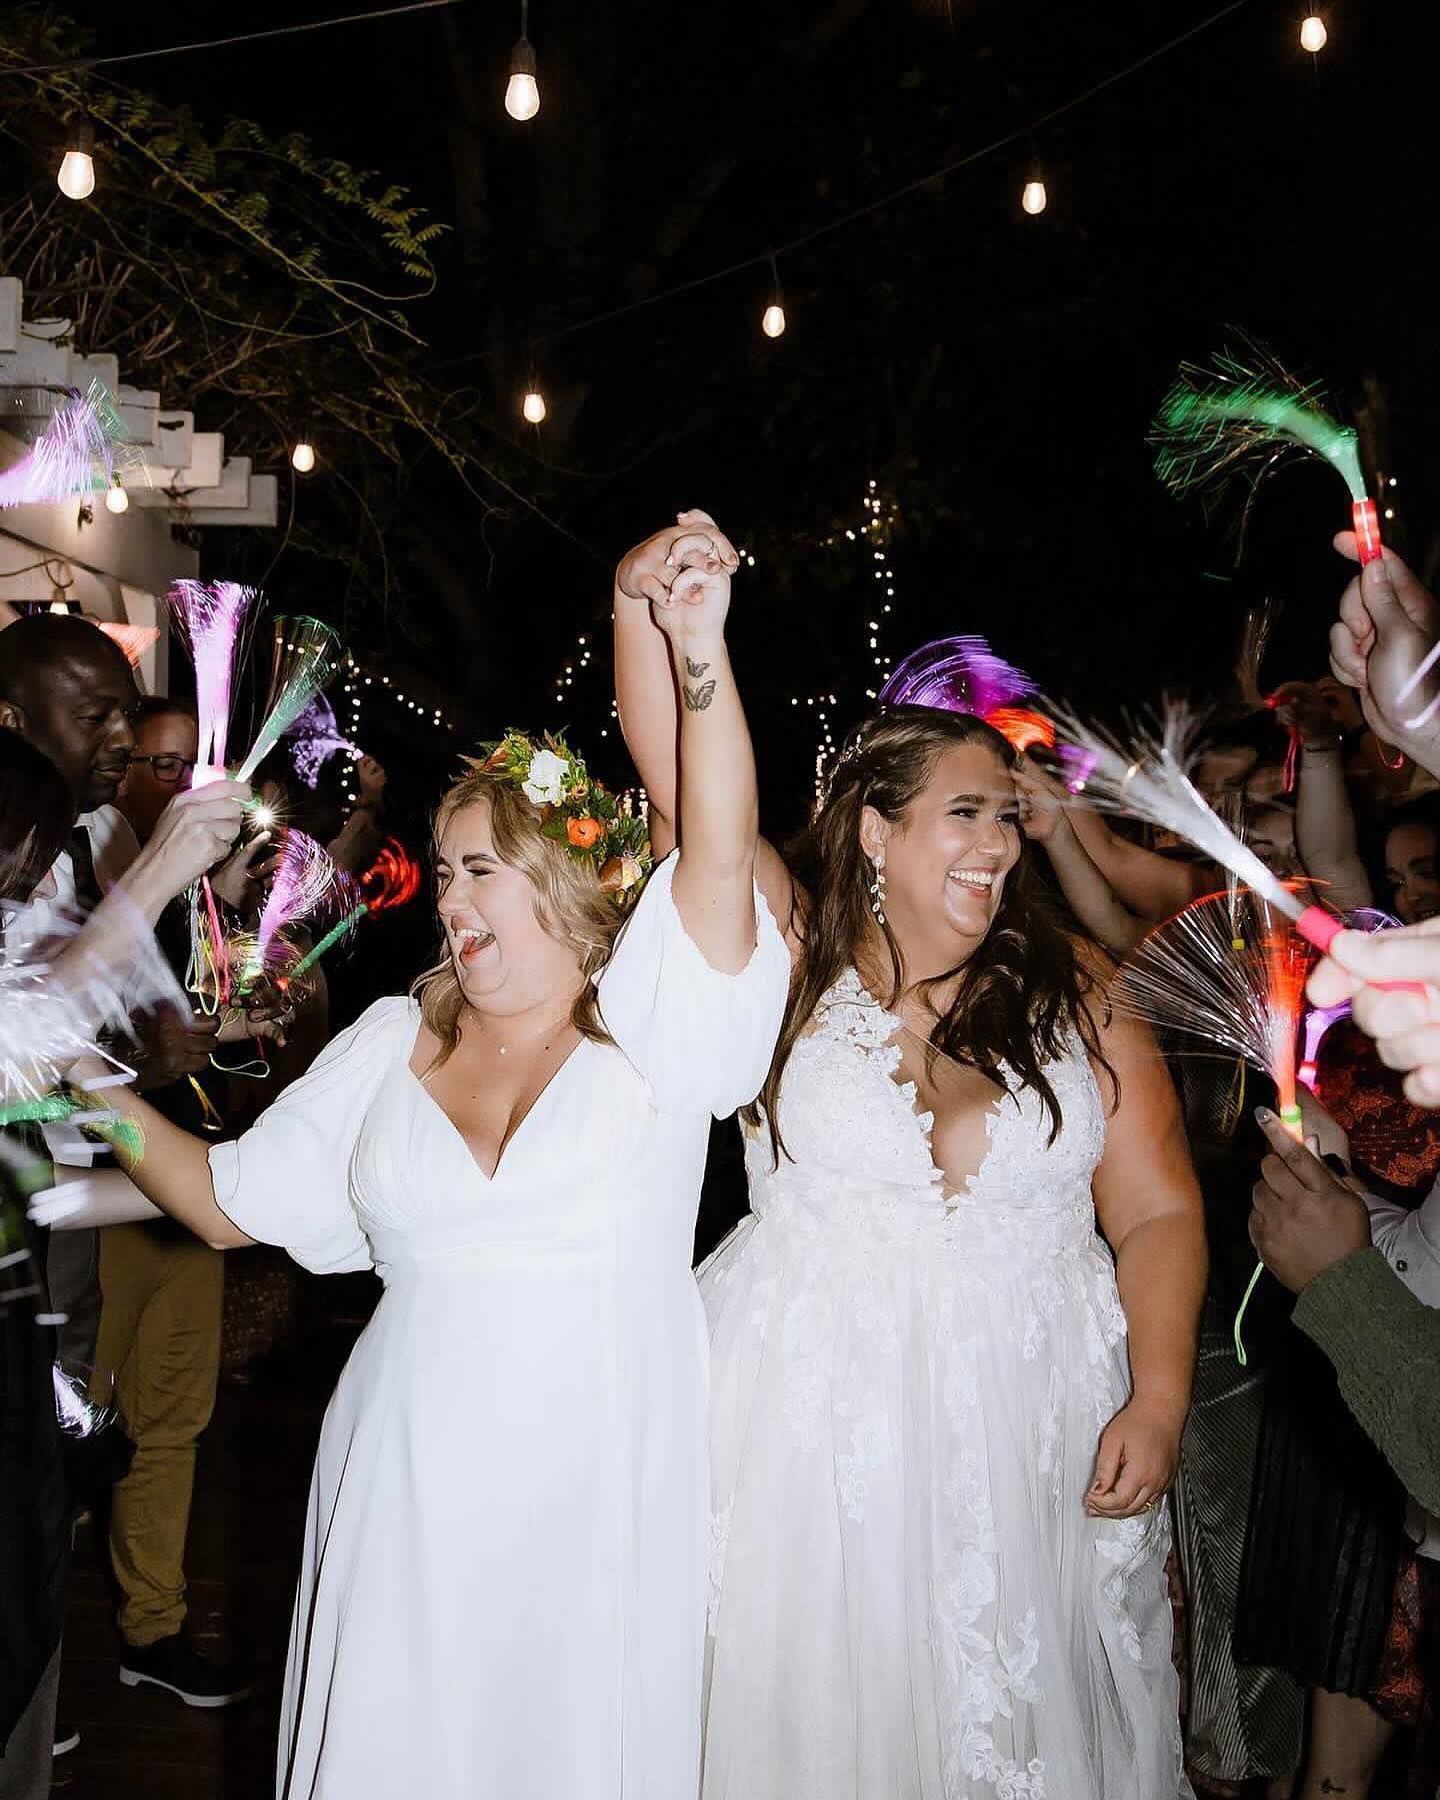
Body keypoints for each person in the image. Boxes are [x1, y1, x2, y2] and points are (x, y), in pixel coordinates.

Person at [65, 538, 789, 1799]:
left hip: (599, 1477)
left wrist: (699, 649)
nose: (451, 898)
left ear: (563, 883)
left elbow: (719, 848)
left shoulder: (655, 1024)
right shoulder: (395, 1038)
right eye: (445, 871)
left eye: (481, 870)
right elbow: (224, 1199)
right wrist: (74, 1082)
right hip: (408, 1470)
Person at [614, 511, 1207, 1798]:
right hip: (807, 1443)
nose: (998, 842)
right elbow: (682, 785)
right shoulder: (786, 962)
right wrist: (649, 611)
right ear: (877, 833)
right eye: (963, 814)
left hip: (1031, 1431)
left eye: (1007, 816)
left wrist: (1156, 1400)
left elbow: (1157, 1210)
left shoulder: (1082, 997)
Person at [93, 695, 251, 1707]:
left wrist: (234, 1027)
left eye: (183, 766)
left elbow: (207, 1006)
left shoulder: (197, 891)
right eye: (153, 764)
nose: (172, 782)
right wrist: (142, 1061)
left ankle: (151, 1629)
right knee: (74, 1427)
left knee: (173, 1421)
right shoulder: (86, 870)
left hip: (187, 1183)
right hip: (90, 1187)